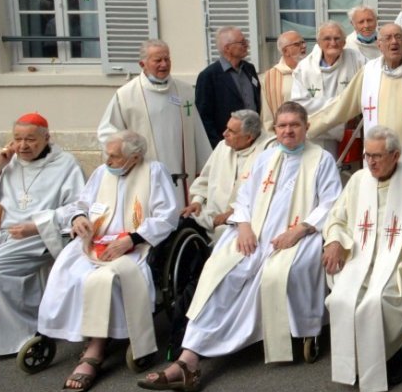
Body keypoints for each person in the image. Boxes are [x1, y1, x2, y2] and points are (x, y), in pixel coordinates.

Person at [140, 102, 341, 392]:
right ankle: (189, 358)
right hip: (254, 233)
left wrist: (298, 231)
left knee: (271, 276)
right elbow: (244, 196)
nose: (288, 131)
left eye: (294, 125)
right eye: (282, 125)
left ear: (306, 127)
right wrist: (243, 225)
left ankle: (203, 356)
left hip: (298, 234)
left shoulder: (321, 159)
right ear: (275, 129)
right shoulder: (265, 157)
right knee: (220, 273)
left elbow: (331, 202)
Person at [40, 130, 179, 392]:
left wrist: (132, 239)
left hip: (135, 246)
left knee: (102, 280)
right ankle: (74, 330)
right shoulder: (103, 173)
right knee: (68, 270)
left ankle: (96, 349)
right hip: (96, 240)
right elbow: (81, 202)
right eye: (107, 154)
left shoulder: (154, 172)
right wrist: (78, 218)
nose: (108, 161)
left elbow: (167, 216)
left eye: (115, 157)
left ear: (135, 157)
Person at [322, 126, 402, 392]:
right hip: (358, 259)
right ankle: (355, 363)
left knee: (380, 300)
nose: (371, 162)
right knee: (343, 298)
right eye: (368, 155)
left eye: (377, 156)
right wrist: (334, 241)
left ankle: (389, 359)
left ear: (396, 155)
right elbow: (337, 218)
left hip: (398, 263)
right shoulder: (357, 180)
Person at [0, 113, 85, 361]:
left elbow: (77, 208)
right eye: (17, 139)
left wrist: (35, 226)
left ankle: (18, 336)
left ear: (46, 138)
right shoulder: (9, 162)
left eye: (30, 139)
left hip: (35, 236)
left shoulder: (66, 165)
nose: (22, 146)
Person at [309, 23, 402, 175]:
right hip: (377, 152)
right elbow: (342, 105)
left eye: (398, 37)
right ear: (379, 44)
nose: (394, 42)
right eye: (388, 38)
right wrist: (309, 125)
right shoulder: (369, 72)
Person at [97, 39, 210, 208]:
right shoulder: (126, 95)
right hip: (143, 175)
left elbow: (198, 134)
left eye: (167, 59)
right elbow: (107, 134)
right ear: (142, 64)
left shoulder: (185, 91)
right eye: (158, 60)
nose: (164, 64)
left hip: (182, 178)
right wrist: (126, 154)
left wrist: (207, 168)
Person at [181, 109, 273, 242]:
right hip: (210, 216)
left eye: (231, 131)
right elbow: (205, 179)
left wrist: (233, 213)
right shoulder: (222, 146)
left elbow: (262, 194)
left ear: (249, 137)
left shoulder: (268, 152)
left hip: (242, 224)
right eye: (226, 128)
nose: (224, 134)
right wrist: (197, 201)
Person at [291, 21, 365, 159]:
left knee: (345, 177)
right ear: (319, 43)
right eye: (327, 39)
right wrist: (342, 105)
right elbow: (299, 104)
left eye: (337, 38)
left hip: (348, 132)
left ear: (344, 42)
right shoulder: (305, 68)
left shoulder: (357, 59)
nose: (333, 43)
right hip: (315, 136)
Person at [194, 26, 261, 148]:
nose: (247, 45)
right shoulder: (209, 76)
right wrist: (218, 145)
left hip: (254, 141)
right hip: (228, 143)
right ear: (227, 48)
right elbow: (204, 117)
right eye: (242, 42)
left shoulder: (249, 69)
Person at [260, 31, 306, 126]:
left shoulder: (312, 70)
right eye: (297, 44)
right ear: (285, 51)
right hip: (284, 133)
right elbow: (267, 114)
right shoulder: (269, 78)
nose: (303, 46)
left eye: (303, 42)